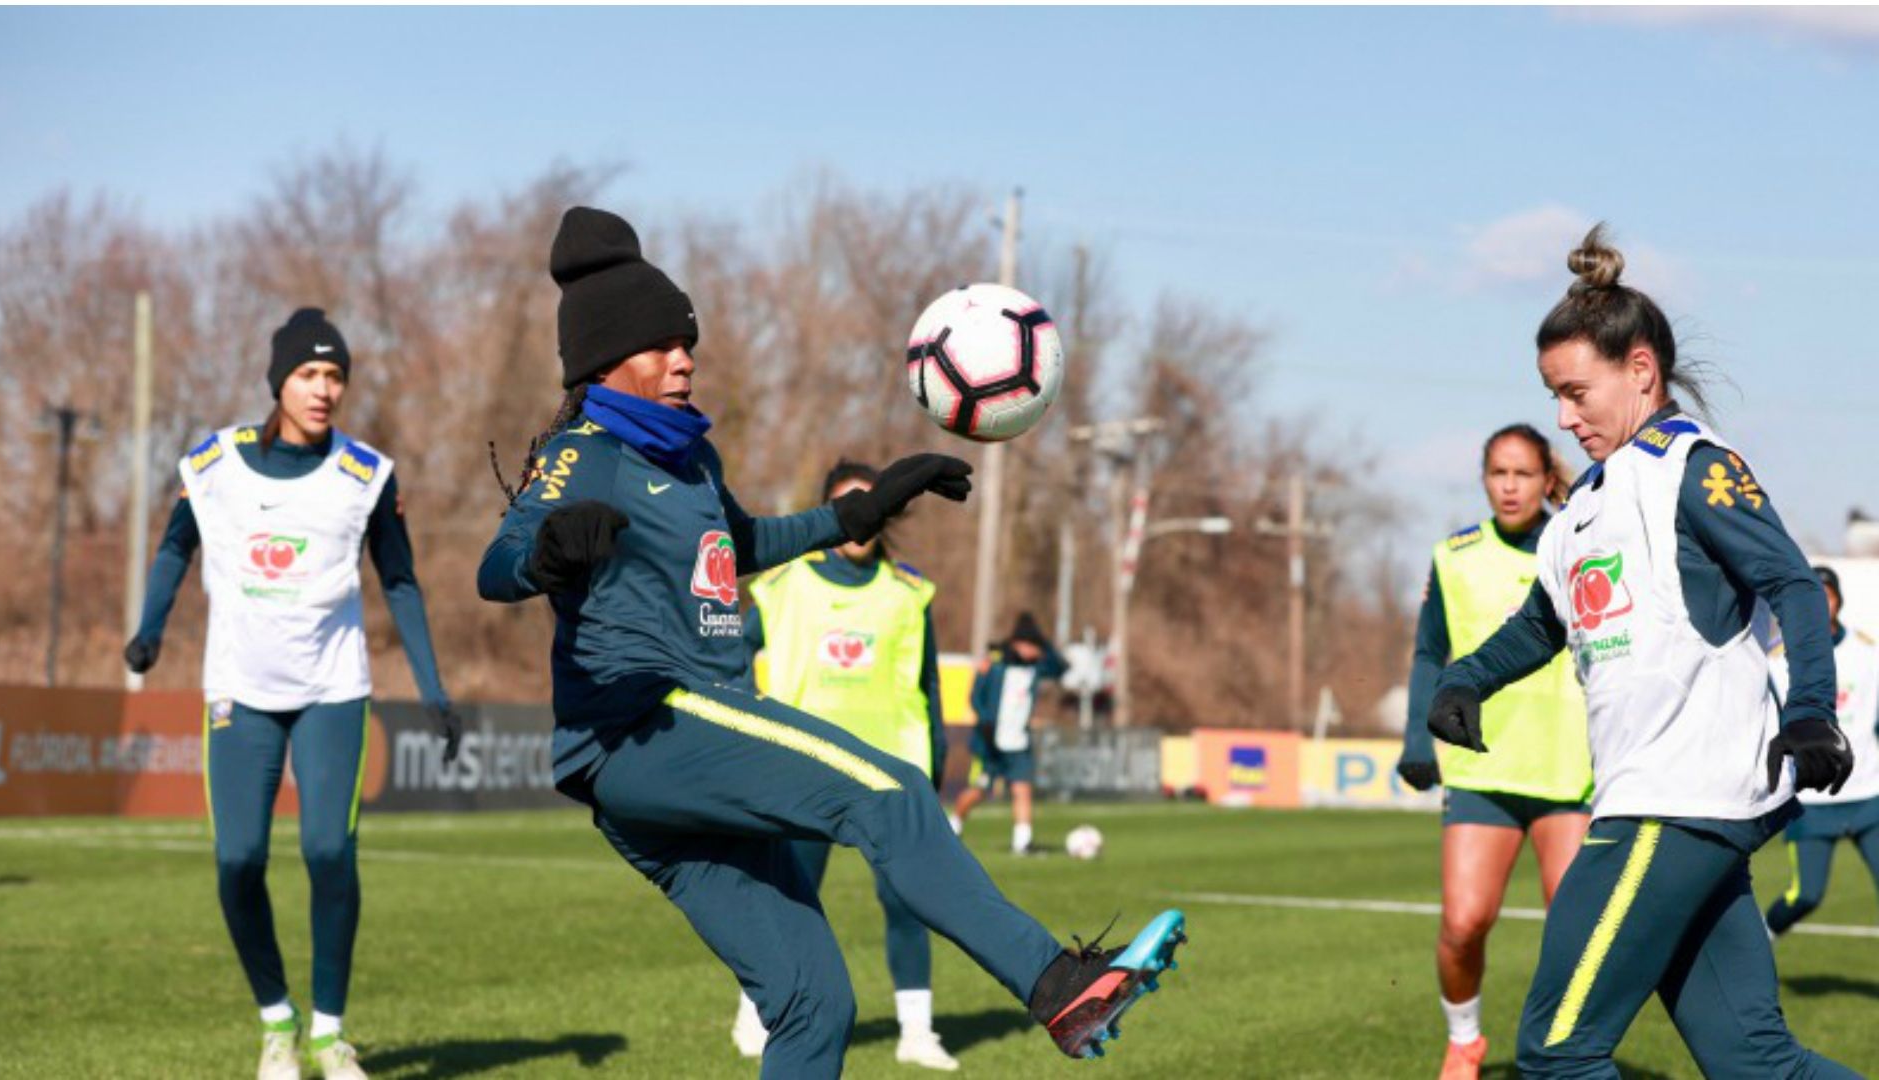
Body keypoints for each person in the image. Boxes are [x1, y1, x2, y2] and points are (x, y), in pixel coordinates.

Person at [476, 207, 1185, 1080]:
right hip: (645, 727)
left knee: (814, 1006)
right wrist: (547, 553)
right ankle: (1055, 984)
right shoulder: (584, 455)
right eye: (662, 344)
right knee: (888, 791)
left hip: (667, 763)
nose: (684, 358)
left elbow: (735, 553)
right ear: (605, 360)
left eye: (687, 341)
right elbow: (497, 566)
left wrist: (858, 514)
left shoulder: (692, 461)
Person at [1425, 224, 1858, 1078]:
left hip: (1673, 798)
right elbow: (1543, 623)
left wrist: (1810, 709)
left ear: (1641, 372)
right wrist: (1467, 677)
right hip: (1664, 804)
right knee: (1754, 1063)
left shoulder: (1693, 468)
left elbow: (1794, 585)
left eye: (1577, 392)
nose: (1562, 416)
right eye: (1552, 394)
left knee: (1555, 1055)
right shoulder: (1583, 506)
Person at [124, 308, 462, 1080]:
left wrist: (435, 689)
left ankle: (328, 1033)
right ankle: (276, 1021)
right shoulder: (214, 462)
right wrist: (150, 630)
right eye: (310, 374)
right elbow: (176, 545)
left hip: (331, 690)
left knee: (326, 849)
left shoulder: (366, 476)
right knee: (238, 859)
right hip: (239, 691)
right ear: (279, 381)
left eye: (335, 375)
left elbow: (401, 583)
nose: (324, 389)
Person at [730, 459, 957, 1071]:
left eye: (870, 504)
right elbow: (731, 656)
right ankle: (758, 1010)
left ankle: (917, 1030)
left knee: (909, 900)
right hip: (804, 772)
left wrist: (933, 776)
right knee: (792, 900)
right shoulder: (784, 586)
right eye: (845, 505)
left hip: (891, 774)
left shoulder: (910, 593)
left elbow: (928, 687)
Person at [1398, 424, 1594, 1079]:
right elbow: (1430, 651)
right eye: (1498, 473)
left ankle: (1568, 1056)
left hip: (1569, 769)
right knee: (1463, 922)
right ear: (1485, 478)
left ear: (1546, 480)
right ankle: (1464, 1039)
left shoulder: (1577, 544)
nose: (1510, 486)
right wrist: (1417, 737)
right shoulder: (1453, 556)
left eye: (1523, 474)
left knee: (1575, 932)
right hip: (1482, 766)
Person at [1763, 565, 1879, 936]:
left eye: (1828, 593)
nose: (1822, 602)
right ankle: (1764, 937)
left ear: (1838, 600)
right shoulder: (1776, 661)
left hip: (1868, 794)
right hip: (1813, 802)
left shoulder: (1868, 654)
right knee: (1806, 895)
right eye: (1814, 593)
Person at [949, 613, 1067, 854]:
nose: (1030, 651)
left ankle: (1022, 842)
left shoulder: (1036, 668)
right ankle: (953, 826)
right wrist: (985, 724)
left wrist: (1045, 646)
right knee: (979, 791)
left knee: (1021, 788)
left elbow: (1060, 668)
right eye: (1026, 645)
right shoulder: (994, 665)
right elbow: (975, 697)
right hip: (990, 742)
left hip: (1019, 742)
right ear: (1015, 644)